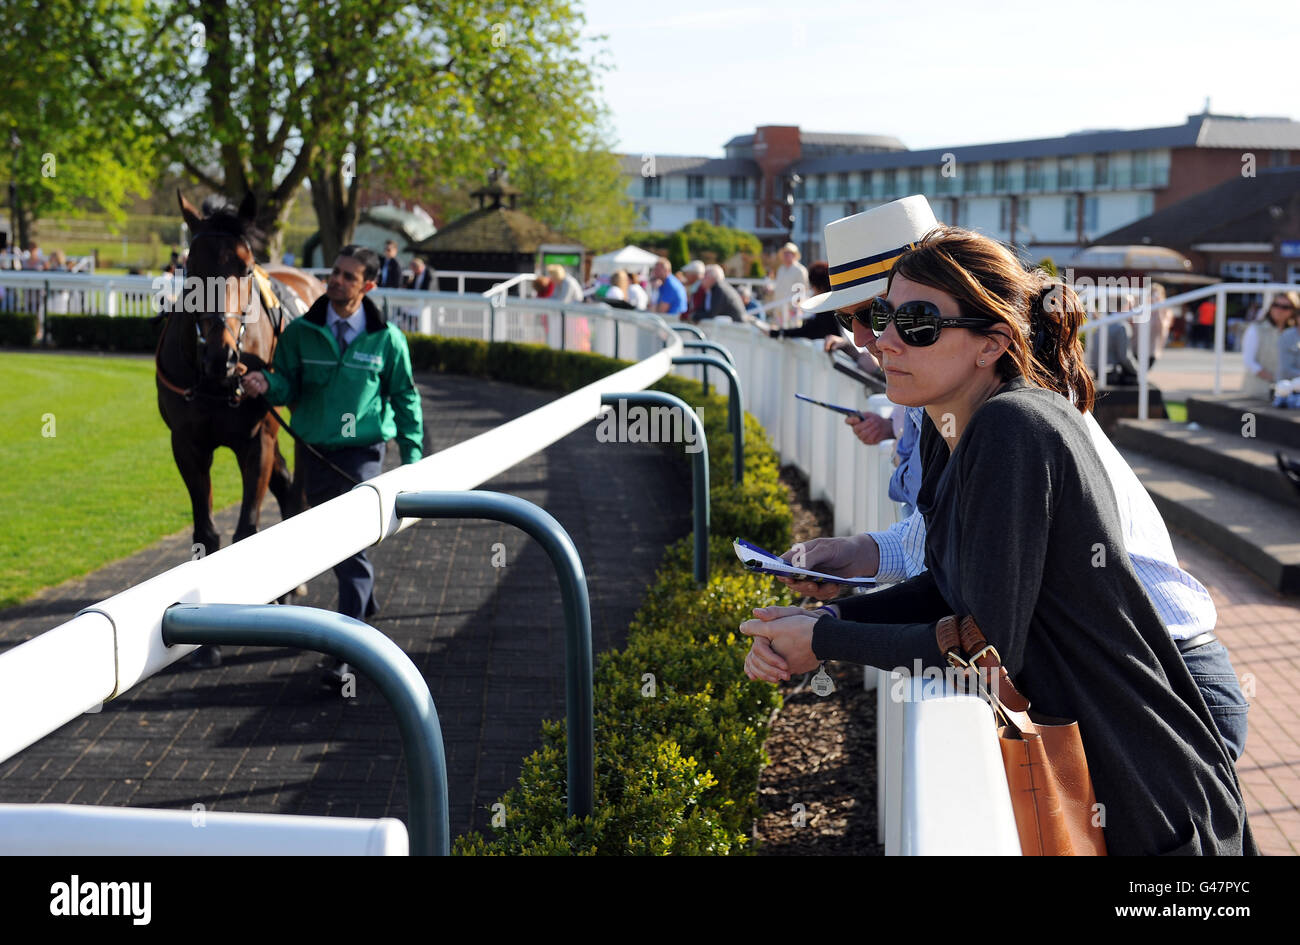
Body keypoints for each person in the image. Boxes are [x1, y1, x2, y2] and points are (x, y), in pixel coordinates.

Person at [741, 218, 1255, 855]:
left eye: (918, 324)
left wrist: (823, 636)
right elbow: (954, 588)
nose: (881, 342)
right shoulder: (952, 423)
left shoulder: (1014, 427)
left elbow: (983, 643)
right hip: (1105, 750)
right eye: (878, 315)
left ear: (993, 343)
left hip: (1142, 773)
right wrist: (826, 616)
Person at [241, 245, 424, 685]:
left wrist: (413, 458)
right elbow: (287, 385)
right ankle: (362, 603)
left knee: (349, 546)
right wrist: (267, 381)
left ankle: (347, 654)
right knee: (332, 544)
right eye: (335, 273)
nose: (336, 281)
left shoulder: (388, 339)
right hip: (312, 453)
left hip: (362, 456)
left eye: (348, 276)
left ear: (369, 285)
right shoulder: (302, 333)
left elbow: (404, 397)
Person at [1241, 290, 1299, 398]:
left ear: (1293, 310)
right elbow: (1249, 362)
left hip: (1289, 393)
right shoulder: (1256, 329)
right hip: (1258, 392)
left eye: (1285, 307)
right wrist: (1275, 379)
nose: (1279, 310)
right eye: (1275, 305)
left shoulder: (1294, 333)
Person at [768, 261, 840, 340]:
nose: (812, 289)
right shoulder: (834, 304)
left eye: (812, 286)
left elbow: (809, 330)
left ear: (818, 286)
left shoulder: (826, 307)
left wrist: (778, 333)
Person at [770, 241, 808, 331]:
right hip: (779, 308)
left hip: (792, 310)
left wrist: (796, 308)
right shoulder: (781, 269)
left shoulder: (800, 270)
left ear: (794, 255)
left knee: (792, 333)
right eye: (785, 253)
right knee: (778, 333)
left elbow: (802, 291)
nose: (786, 255)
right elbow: (779, 286)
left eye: (789, 253)